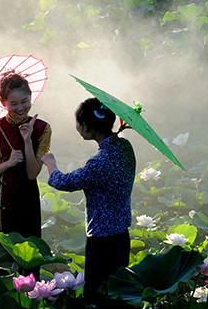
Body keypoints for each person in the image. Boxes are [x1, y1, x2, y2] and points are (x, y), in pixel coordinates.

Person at [39, 97, 137, 298]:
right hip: (121, 234)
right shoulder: (125, 147)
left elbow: (64, 182)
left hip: (102, 237)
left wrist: (50, 163)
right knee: (116, 291)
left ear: (85, 127)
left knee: (97, 292)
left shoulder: (99, 162)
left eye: (78, 123)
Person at [0, 73, 51, 238]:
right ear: (3, 103)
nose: (20, 108)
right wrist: (7, 163)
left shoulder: (42, 128)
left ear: (31, 97)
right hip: (0, 203)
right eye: (13, 103)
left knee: (27, 256)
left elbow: (32, 174)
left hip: (27, 201)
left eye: (25, 101)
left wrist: (28, 141)